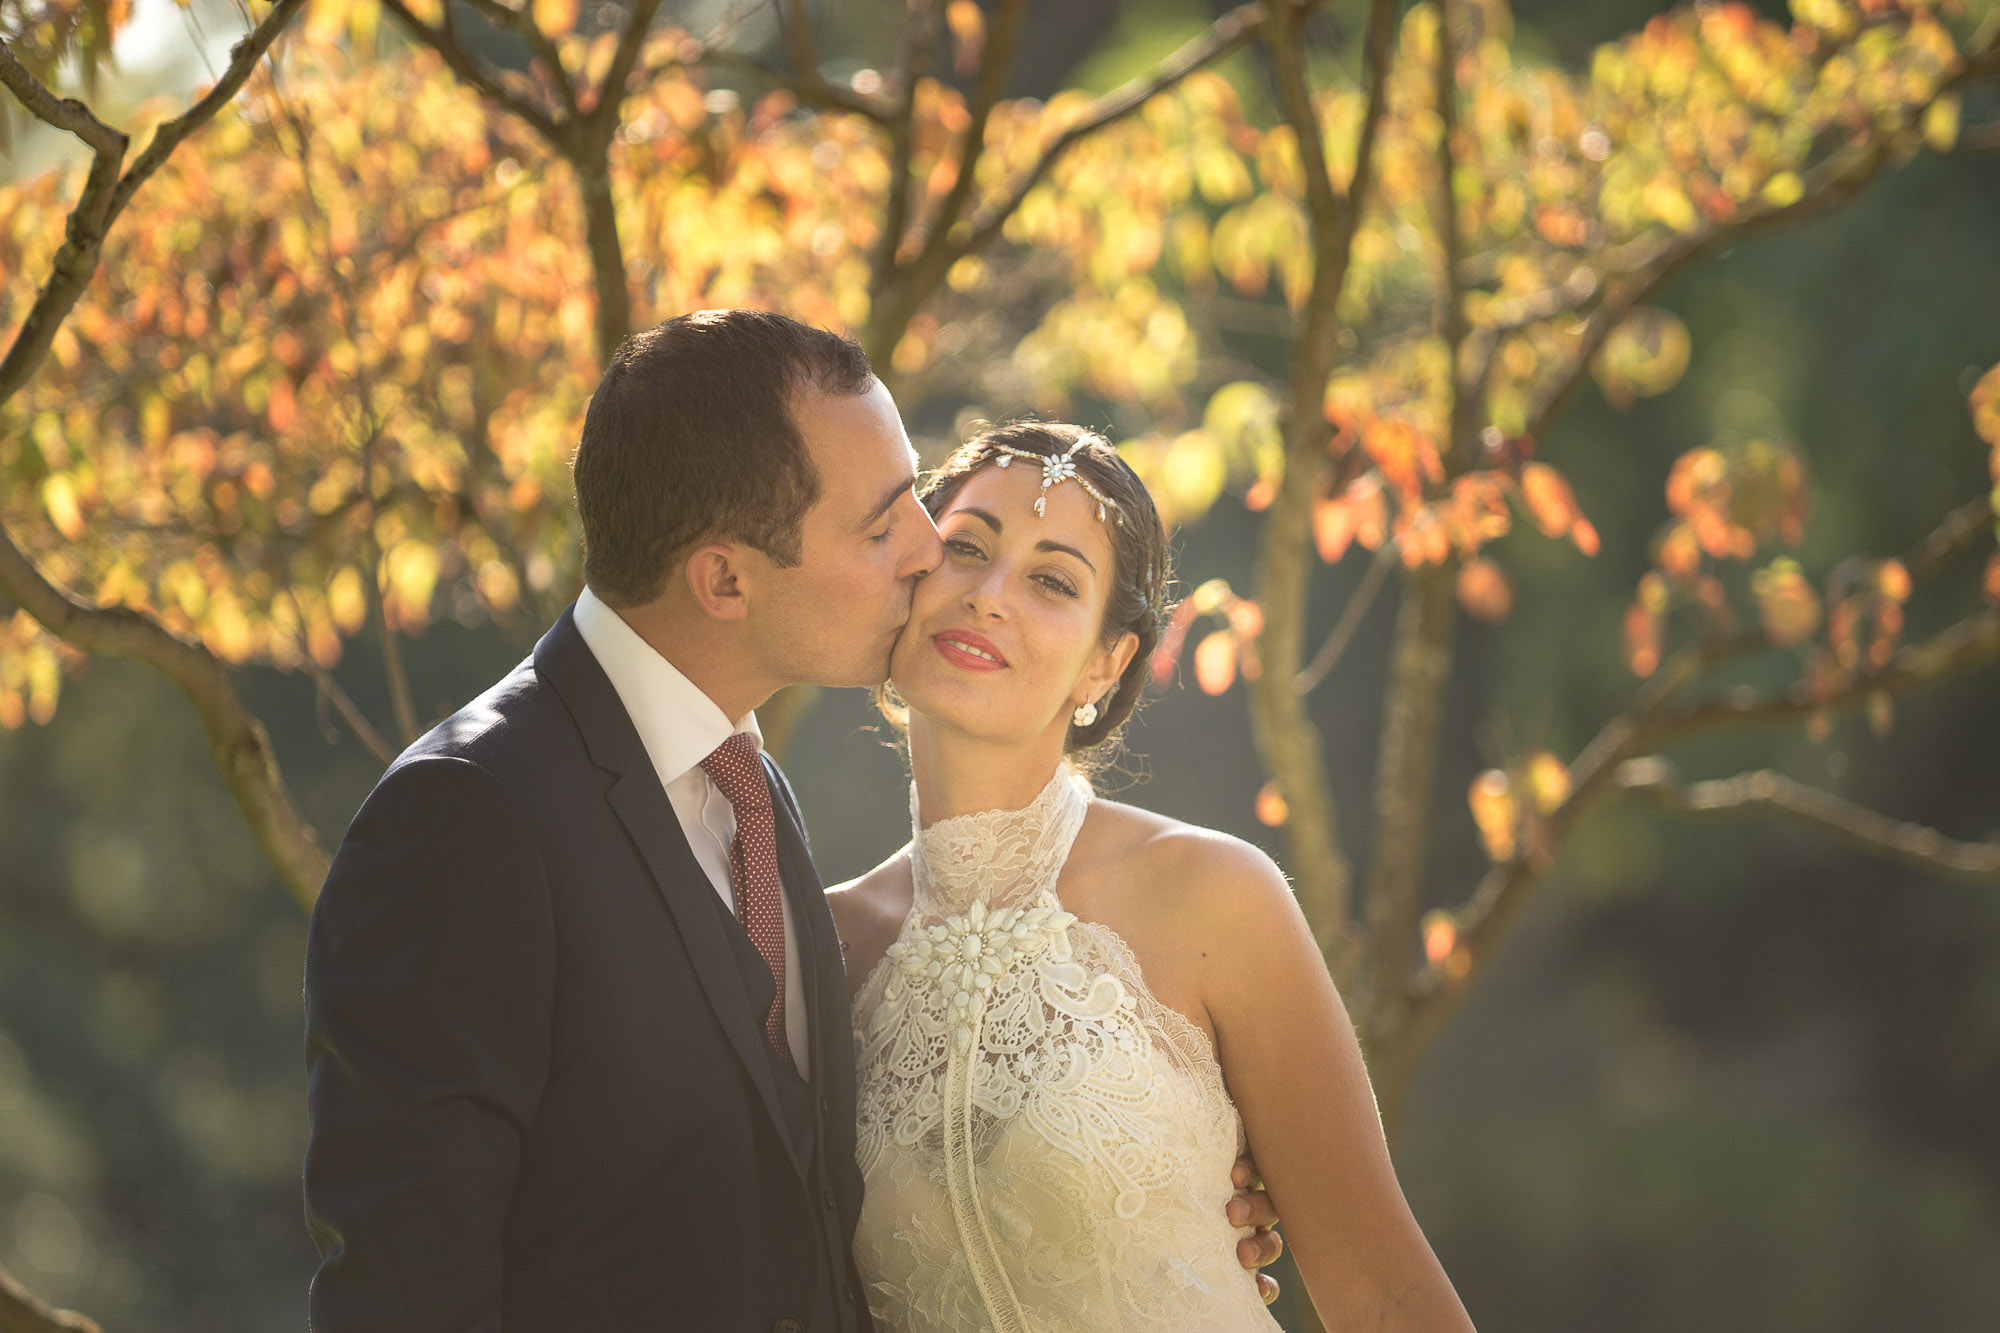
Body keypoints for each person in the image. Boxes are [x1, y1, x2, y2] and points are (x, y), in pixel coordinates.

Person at [301, 310, 1281, 1331]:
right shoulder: (465, 817)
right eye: (881, 523)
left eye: (914, 493)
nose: (927, 544)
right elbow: (404, 1292)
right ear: (724, 578)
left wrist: (1145, 1223)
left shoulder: (753, 792)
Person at [830, 422, 1476, 1331]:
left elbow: (1381, 1290)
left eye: (1052, 579)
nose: (989, 595)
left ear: (1107, 660)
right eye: (965, 549)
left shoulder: (1212, 894)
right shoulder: (824, 944)